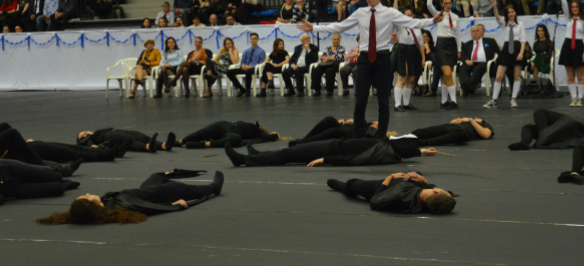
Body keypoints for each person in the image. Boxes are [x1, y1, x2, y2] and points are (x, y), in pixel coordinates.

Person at [297, 0, 443, 139]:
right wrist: (314, 28)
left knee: (383, 101)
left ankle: (381, 137)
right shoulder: (361, 13)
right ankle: (358, 136)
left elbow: (413, 23)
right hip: (365, 58)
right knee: (360, 100)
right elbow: (340, 26)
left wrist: (432, 21)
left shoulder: (390, 13)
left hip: (382, 57)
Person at [37, 171, 224, 224]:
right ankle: (215, 187)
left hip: (146, 190)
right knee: (192, 189)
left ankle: (173, 172)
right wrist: (174, 205)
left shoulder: (105, 203)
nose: (87, 193)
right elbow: (147, 208)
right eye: (86, 197)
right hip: (162, 195)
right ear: (91, 206)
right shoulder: (119, 205)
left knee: (157, 176)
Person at [225, 136, 436, 167]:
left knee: (289, 155)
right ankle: (255, 155)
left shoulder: (382, 151)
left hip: (330, 149)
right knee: (293, 152)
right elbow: (406, 144)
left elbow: (352, 159)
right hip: (333, 144)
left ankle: (244, 160)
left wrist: (324, 160)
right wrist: (423, 151)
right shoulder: (391, 149)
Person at [326, 172, 456, 215]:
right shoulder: (427, 199)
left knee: (351, 184)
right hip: (405, 183)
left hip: (380, 187)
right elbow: (428, 188)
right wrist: (422, 179)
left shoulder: (400, 196)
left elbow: (375, 200)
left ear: (435, 191)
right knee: (418, 173)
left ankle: (341, 186)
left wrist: (389, 177)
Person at [484, 0, 526, 109]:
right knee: (498, 77)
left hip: (517, 49)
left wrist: (521, 52)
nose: (511, 14)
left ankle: (513, 99)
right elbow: (496, 16)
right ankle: (494, 100)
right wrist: (494, 5)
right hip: (507, 49)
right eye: (509, 12)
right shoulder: (504, 23)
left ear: (515, 13)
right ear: (506, 14)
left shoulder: (520, 24)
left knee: (517, 76)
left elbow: (523, 40)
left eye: (512, 12)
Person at [555, 0, 584, 107]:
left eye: (576, 7)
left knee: (580, 75)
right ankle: (573, 98)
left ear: (580, 8)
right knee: (570, 76)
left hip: (579, 47)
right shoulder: (568, 18)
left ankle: (580, 98)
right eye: (573, 7)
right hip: (568, 46)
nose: (574, 9)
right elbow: (564, 4)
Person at [425, 0, 461, 110]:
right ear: (442, 4)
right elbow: (429, 5)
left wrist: (459, 50)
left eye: (449, 3)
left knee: (447, 76)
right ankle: (454, 102)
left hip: (452, 44)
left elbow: (458, 34)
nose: (448, 5)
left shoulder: (455, 16)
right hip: (441, 44)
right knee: (447, 73)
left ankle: (444, 101)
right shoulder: (438, 14)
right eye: (445, 3)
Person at [509, 110, 584, 151]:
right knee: (528, 127)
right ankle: (525, 143)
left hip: (562, 129)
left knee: (539, 112)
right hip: (559, 133)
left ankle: (534, 139)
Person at [390, 7, 425, 112]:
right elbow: (394, 14)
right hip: (404, 50)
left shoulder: (416, 26)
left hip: (414, 50)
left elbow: (421, 44)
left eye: (410, 15)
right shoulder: (399, 25)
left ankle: (406, 103)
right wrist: (395, 2)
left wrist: (423, 58)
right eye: (406, 15)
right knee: (402, 78)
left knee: (410, 79)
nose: (409, 17)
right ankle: (397, 104)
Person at [458, 25, 500, 97]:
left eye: (477, 31)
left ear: (481, 32)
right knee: (462, 68)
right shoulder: (467, 44)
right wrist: (466, 60)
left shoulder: (490, 41)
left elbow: (498, 53)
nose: (475, 33)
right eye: (473, 31)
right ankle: (469, 88)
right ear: (471, 34)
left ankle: (468, 89)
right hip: (470, 63)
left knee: (478, 69)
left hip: (484, 63)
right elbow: (462, 55)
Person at [177, 121, 281, 148]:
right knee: (201, 133)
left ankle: (196, 144)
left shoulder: (258, 132)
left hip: (229, 130)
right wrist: (275, 134)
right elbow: (270, 137)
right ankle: (179, 142)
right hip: (226, 126)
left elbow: (269, 137)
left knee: (236, 139)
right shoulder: (255, 129)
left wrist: (275, 134)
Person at [226, 33, 267, 98]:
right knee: (229, 72)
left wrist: (250, 66)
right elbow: (243, 61)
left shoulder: (261, 51)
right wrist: (243, 66)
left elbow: (261, 63)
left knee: (248, 71)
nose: (253, 40)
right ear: (250, 40)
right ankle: (241, 89)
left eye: (254, 39)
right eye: (251, 39)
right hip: (245, 67)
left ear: (257, 40)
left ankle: (248, 90)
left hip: (255, 68)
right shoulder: (246, 51)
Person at [77, 128, 172, 153]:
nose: (86, 133)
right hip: (110, 136)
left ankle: (163, 145)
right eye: (83, 135)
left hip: (119, 131)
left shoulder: (94, 134)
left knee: (143, 138)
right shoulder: (90, 139)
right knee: (130, 140)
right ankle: (147, 147)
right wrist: (91, 146)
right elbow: (90, 145)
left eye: (84, 132)